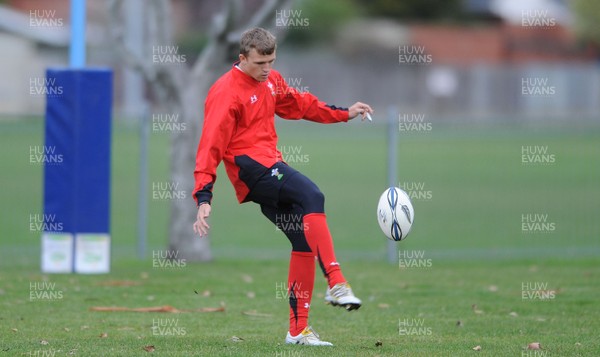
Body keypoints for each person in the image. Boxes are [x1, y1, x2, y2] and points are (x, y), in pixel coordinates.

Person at [192, 27, 373, 346]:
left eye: (271, 61)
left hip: (270, 167)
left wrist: (344, 113)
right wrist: (204, 195)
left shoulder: (271, 81)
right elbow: (210, 146)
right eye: (260, 62)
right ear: (242, 58)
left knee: (303, 243)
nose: (266, 69)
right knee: (312, 194)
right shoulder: (225, 92)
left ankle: (297, 330)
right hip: (252, 170)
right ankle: (336, 281)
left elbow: (300, 105)